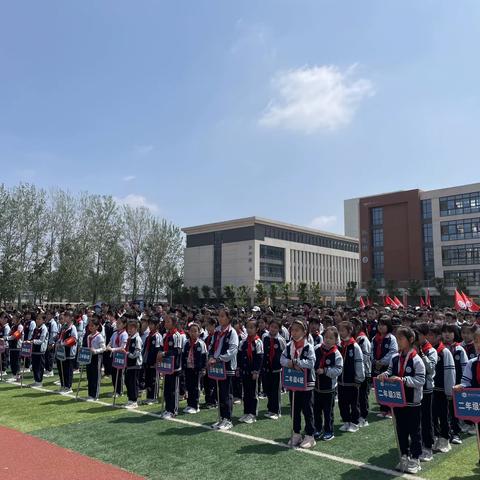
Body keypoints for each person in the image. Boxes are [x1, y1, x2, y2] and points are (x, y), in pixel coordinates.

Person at [378, 327, 425, 474]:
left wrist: (403, 380)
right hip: (397, 400)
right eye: (397, 339)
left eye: (401, 339)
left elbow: (421, 380)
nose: (398, 342)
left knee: (414, 431)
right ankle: (404, 455)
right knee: (401, 430)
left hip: (412, 402)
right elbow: (391, 371)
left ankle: (416, 458)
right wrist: (384, 375)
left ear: (410, 340)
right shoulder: (395, 358)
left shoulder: (417, 360)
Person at [280, 318, 316, 449]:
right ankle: (296, 433)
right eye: (292, 330)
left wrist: (297, 362)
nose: (294, 333)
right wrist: (290, 363)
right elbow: (282, 359)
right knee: (294, 409)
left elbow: (311, 363)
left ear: (304, 331)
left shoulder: (308, 346)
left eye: (297, 330)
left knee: (307, 409)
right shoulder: (289, 345)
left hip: (306, 383)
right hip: (293, 383)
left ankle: (310, 435)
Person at [208, 308, 239, 431]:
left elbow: (233, 350)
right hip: (216, 366)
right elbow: (211, 346)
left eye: (222, 316)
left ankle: (228, 419)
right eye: (219, 316)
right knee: (219, 393)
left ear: (229, 318)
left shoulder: (232, 333)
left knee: (227, 394)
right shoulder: (217, 331)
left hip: (227, 367)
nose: (220, 318)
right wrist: (210, 356)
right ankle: (221, 417)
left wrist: (219, 359)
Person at [453, 326, 480, 465]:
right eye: (476, 342)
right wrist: (461, 387)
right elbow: (466, 381)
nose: (478, 345)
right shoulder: (472, 363)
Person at [427, 324, 455, 453]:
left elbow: (450, 372)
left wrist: (449, 391)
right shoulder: (427, 350)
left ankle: (445, 438)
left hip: (442, 390)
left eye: (432, 335)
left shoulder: (444, 351)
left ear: (439, 337)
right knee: (432, 415)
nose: (429, 337)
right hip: (431, 389)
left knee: (444, 415)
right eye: (428, 335)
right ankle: (436, 436)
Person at [314, 326, 343, 441]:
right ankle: (317, 428)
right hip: (316, 387)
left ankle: (329, 431)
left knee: (328, 412)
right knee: (316, 410)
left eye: (331, 338)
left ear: (336, 340)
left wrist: (325, 371)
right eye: (326, 337)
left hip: (329, 388)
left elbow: (338, 370)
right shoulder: (317, 349)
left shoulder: (336, 354)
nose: (327, 340)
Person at [414, 323, 438, 462]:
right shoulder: (411, 348)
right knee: (415, 419)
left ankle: (428, 447)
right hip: (414, 388)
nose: (416, 338)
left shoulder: (430, 350)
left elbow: (430, 369)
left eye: (419, 335)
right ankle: (418, 445)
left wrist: (421, 354)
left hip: (427, 389)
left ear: (425, 335)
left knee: (426, 419)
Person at [442, 323, 467, 445]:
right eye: (444, 331)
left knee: (454, 409)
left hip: (456, 385)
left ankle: (456, 432)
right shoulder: (440, 349)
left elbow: (465, 368)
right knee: (443, 410)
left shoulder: (459, 349)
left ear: (455, 334)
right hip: (442, 385)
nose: (447, 334)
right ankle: (444, 433)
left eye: (450, 332)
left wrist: (463, 384)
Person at [337, 320, 365, 433]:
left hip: (352, 381)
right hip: (341, 381)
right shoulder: (339, 345)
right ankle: (346, 421)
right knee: (342, 402)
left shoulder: (355, 346)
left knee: (354, 403)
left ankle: (354, 422)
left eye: (343, 330)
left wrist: (359, 378)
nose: (340, 332)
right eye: (339, 330)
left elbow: (359, 363)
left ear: (349, 331)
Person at [371, 316, 398, 419]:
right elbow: (371, 350)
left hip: (387, 367)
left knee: (389, 388)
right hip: (377, 366)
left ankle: (390, 410)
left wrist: (382, 362)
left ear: (389, 326)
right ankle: (383, 409)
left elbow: (393, 352)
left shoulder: (391, 338)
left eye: (383, 325)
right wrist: (374, 360)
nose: (381, 327)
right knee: (380, 388)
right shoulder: (375, 338)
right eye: (379, 324)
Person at [158, 313, 183, 419]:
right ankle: (168, 409)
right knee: (167, 389)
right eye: (165, 321)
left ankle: (173, 410)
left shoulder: (177, 335)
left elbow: (177, 351)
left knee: (173, 390)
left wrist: (164, 353)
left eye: (168, 321)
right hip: (166, 366)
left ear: (174, 323)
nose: (165, 323)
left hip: (175, 367)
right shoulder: (166, 335)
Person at [238, 319, 264, 424]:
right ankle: (246, 412)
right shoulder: (243, 342)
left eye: (252, 327)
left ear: (257, 329)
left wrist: (256, 371)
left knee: (253, 393)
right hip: (244, 371)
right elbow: (239, 356)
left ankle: (252, 413)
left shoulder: (258, 342)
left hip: (253, 372)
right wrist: (239, 368)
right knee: (245, 392)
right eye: (248, 327)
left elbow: (259, 358)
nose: (249, 330)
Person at [262, 318, 286, 420]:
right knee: (267, 389)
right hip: (266, 368)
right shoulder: (265, 337)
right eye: (272, 327)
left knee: (275, 390)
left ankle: (276, 411)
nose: (273, 329)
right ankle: (270, 409)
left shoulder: (280, 340)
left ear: (279, 329)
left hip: (276, 369)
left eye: (276, 328)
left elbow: (284, 353)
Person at [182, 322, 207, 414]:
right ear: (188, 332)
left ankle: (195, 405)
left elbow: (204, 357)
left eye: (195, 331)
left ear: (199, 332)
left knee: (196, 387)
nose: (193, 333)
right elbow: (183, 355)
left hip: (197, 369)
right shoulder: (186, 343)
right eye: (191, 331)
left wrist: (204, 368)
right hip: (188, 367)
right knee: (189, 386)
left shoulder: (201, 343)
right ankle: (189, 404)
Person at [353, 317, 371, 427]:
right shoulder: (356, 338)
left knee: (362, 396)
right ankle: (357, 416)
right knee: (357, 396)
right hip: (356, 371)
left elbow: (365, 357)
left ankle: (363, 417)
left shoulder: (362, 339)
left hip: (364, 371)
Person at [106, 317, 128, 397]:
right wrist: (108, 346)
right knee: (114, 374)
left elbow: (123, 347)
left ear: (124, 324)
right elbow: (110, 342)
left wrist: (112, 349)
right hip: (113, 356)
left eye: (119, 323)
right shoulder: (115, 333)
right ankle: (115, 390)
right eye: (117, 323)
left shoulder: (125, 334)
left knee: (119, 374)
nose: (117, 325)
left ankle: (119, 391)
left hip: (120, 356)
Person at [142, 318, 162, 405]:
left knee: (154, 380)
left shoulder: (157, 336)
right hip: (147, 361)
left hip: (154, 362)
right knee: (148, 380)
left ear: (157, 325)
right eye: (149, 324)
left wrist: (155, 361)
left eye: (152, 324)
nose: (150, 326)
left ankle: (154, 397)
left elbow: (157, 350)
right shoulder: (149, 336)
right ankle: (149, 397)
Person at [57, 311, 78, 394]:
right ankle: (63, 385)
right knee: (62, 369)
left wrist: (63, 343)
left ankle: (69, 387)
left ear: (71, 318)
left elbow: (74, 339)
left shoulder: (73, 328)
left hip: (69, 352)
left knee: (68, 370)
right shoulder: (64, 327)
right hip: (62, 352)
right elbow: (61, 337)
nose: (65, 318)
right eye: (65, 316)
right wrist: (58, 342)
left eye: (67, 316)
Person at [124, 319, 143, 409]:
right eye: (128, 328)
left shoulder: (137, 339)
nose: (130, 330)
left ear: (136, 329)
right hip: (129, 364)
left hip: (135, 365)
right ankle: (130, 399)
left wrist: (129, 354)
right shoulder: (129, 338)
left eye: (132, 328)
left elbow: (137, 352)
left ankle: (134, 401)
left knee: (133, 383)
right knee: (127, 382)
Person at [86, 317, 105, 401]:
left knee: (96, 376)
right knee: (89, 375)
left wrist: (96, 351)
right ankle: (90, 394)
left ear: (97, 327)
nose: (90, 327)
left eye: (92, 326)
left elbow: (103, 348)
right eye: (89, 326)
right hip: (89, 357)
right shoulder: (89, 336)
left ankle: (95, 395)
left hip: (97, 357)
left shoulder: (99, 336)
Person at [28, 313, 49, 387]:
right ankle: (36, 381)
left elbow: (41, 340)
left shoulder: (44, 328)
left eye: (39, 319)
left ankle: (39, 382)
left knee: (39, 367)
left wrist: (32, 341)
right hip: (34, 350)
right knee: (35, 367)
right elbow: (32, 337)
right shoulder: (36, 328)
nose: (37, 320)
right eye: (37, 319)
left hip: (40, 351)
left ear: (43, 320)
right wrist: (28, 341)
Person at [44, 310, 58, 377]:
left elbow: (54, 334)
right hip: (46, 343)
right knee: (46, 356)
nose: (47, 315)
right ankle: (47, 369)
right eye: (46, 314)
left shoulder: (53, 323)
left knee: (50, 357)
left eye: (48, 314)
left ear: (52, 315)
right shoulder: (47, 323)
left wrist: (51, 343)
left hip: (50, 343)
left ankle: (50, 370)